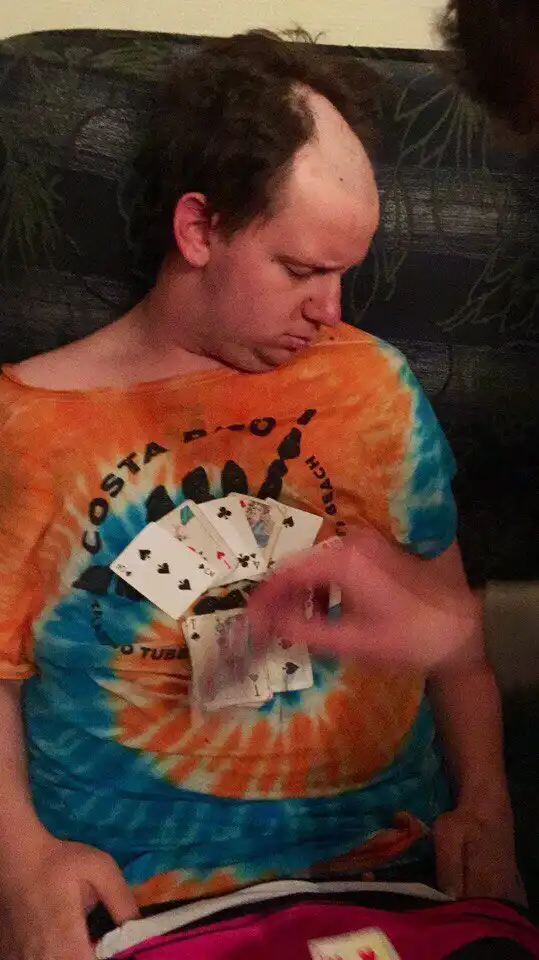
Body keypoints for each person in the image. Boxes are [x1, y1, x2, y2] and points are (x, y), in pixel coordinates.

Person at [0, 31, 519, 960]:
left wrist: (487, 809)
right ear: (199, 229)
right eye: (301, 271)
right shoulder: (27, 424)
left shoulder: (374, 387)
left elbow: (459, 644)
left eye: (346, 272)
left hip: (388, 884)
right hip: (147, 905)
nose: (332, 310)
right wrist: (23, 862)